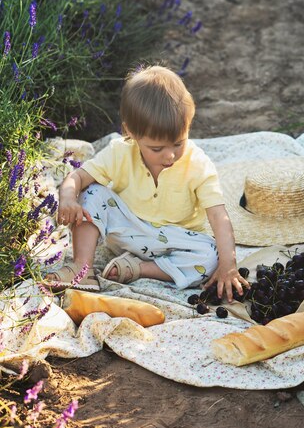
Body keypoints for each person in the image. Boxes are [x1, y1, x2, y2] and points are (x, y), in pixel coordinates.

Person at [45, 65, 248, 302]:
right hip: (127, 230)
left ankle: (138, 268)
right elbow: (76, 178)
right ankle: (82, 269)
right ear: (131, 133)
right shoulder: (120, 152)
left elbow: (218, 217)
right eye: (157, 148)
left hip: (175, 241)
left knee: (211, 256)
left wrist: (229, 265)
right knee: (91, 192)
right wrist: (68, 198)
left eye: (178, 143)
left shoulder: (198, 164)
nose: (170, 156)